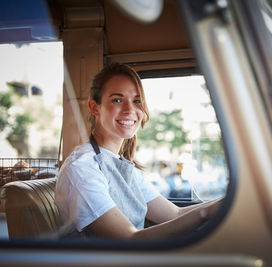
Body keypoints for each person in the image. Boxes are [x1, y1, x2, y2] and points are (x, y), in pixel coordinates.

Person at [55, 62, 222, 239]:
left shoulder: (124, 168)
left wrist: (225, 203)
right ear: (95, 107)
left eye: (136, 101)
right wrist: (205, 212)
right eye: (117, 100)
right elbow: (130, 239)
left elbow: (175, 215)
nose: (130, 110)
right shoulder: (83, 168)